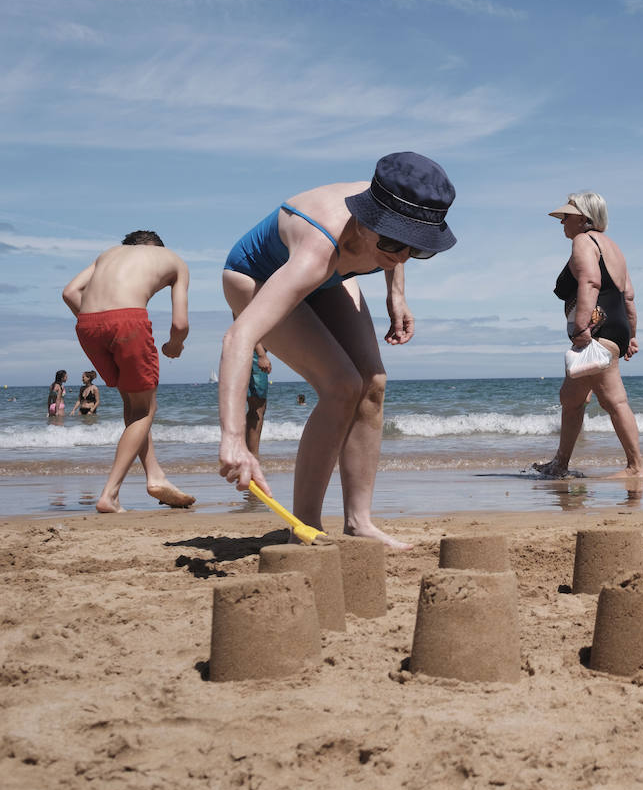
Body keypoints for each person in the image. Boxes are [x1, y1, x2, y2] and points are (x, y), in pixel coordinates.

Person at [217, 151, 457, 550]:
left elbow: (399, 243)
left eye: (416, 249)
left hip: (332, 274)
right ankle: (305, 525)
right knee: (342, 384)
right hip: (255, 276)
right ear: (365, 219)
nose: (400, 256)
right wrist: (232, 438)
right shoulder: (318, 246)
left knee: (373, 384)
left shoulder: (391, 221)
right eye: (394, 242)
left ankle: (359, 522)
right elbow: (238, 338)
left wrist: (396, 295)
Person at [62, 231, 194, 512]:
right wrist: (174, 345)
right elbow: (180, 325)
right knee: (144, 410)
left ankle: (155, 475)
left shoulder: (107, 254)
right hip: (128, 322)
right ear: (157, 248)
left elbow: (70, 292)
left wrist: (99, 326)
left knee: (134, 404)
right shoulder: (174, 260)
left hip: (87, 324)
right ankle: (109, 495)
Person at [531, 191, 643, 480]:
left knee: (613, 400)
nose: (562, 224)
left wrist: (582, 327)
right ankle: (560, 464)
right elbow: (628, 296)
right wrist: (631, 335)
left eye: (566, 217)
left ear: (583, 218)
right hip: (615, 325)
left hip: (597, 329)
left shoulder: (584, 241)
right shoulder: (613, 248)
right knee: (571, 398)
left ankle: (636, 467)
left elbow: (591, 281)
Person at [245, 344, 271, 457]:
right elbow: (250, 326)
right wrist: (261, 354)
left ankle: (249, 457)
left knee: (255, 407)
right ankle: (252, 458)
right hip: (253, 353)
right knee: (257, 407)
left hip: (251, 352)